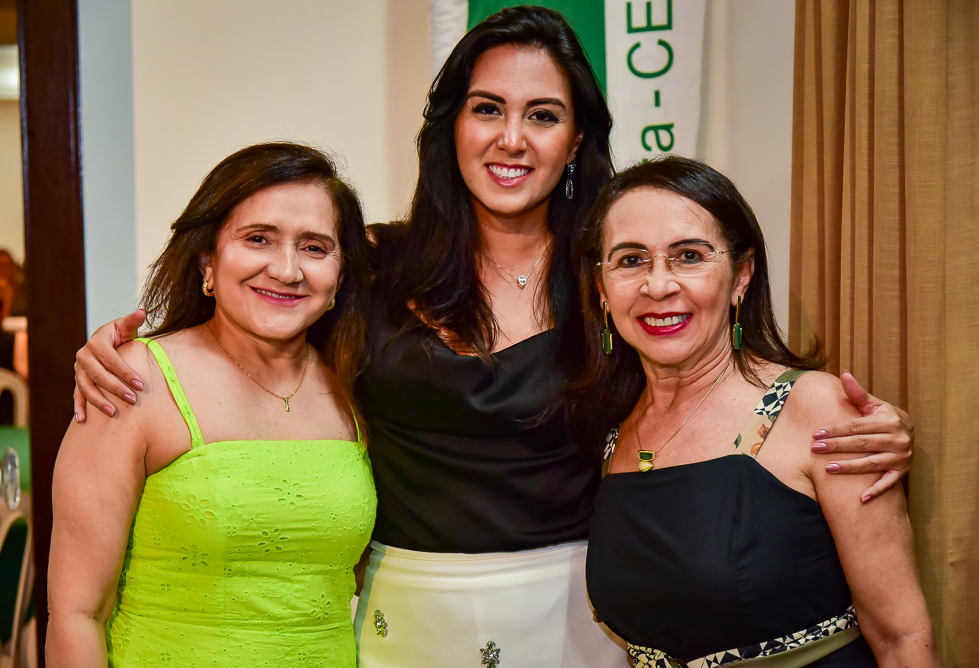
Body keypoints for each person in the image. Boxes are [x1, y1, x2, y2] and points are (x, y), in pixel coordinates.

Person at [69, 7, 915, 667]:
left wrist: (847, 424)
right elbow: (256, 312)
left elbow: (714, 374)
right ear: (452, 125)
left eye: (542, 115)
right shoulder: (371, 264)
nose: (512, 138)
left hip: (578, 617)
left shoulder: (613, 279)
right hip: (404, 619)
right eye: (487, 109)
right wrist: (119, 355)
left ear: (576, 139)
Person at [580, 157, 939, 667]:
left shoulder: (816, 409)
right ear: (601, 289)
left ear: (741, 276)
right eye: (631, 260)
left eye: (688, 256)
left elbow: (903, 640)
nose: (658, 286)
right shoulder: (611, 430)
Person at [47, 143, 377, 667]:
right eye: (258, 239)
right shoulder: (133, 379)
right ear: (208, 260)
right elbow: (76, 614)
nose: (286, 269)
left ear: (340, 275)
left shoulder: (359, 385)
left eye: (314, 248)